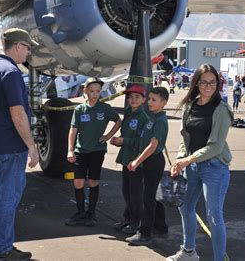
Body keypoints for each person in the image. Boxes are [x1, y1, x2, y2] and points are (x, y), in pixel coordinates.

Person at [0, 28, 40, 260]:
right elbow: (17, 113)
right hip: (11, 146)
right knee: (8, 199)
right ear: (18, 46)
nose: (29, 52)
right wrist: (31, 145)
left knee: (4, 194)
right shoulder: (11, 72)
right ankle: (1, 249)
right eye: (28, 47)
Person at [167, 64, 233, 261]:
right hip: (192, 166)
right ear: (196, 83)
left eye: (212, 82)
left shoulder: (221, 110)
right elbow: (184, 137)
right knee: (185, 207)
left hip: (214, 167)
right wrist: (180, 159)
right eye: (203, 82)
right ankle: (189, 252)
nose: (208, 86)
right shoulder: (190, 106)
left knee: (214, 217)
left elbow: (215, 146)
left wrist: (187, 159)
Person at [65, 77, 121, 227]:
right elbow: (73, 130)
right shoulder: (79, 109)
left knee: (93, 181)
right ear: (85, 91)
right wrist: (70, 150)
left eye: (97, 91)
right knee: (78, 182)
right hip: (81, 151)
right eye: (92, 91)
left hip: (97, 151)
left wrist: (108, 136)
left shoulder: (105, 108)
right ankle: (80, 213)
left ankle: (91, 213)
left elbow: (118, 121)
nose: (95, 94)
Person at [125, 87, 170, 245]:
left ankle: (144, 233)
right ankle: (160, 226)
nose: (150, 102)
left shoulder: (160, 121)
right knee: (152, 196)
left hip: (153, 160)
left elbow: (152, 146)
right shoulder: (151, 117)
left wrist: (137, 161)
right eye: (149, 99)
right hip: (147, 159)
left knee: (148, 198)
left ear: (163, 103)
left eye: (154, 100)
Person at [110, 85, 149, 234]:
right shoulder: (128, 112)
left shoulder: (143, 117)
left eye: (137, 97)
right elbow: (126, 133)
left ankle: (135, 223)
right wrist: (118, 140)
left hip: (136, 161)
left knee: (135, 193)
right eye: (131, 97)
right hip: (126, 158)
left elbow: (142, 142)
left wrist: (124, 141)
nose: (133, 100)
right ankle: (127, 218)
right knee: (126, 191)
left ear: (143, 100)